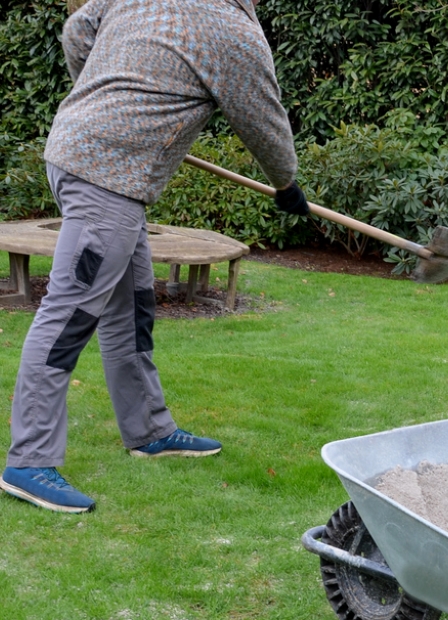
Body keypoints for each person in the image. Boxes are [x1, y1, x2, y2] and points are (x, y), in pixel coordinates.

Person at [1, 0, 309, 514]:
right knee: (70, 315)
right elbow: (263, 120)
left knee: (133, 306)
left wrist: (100, 92)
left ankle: (148, 429)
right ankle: (28, 461)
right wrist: (286, 184)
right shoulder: (232, 30)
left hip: (96, 164)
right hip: (106, 176)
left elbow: (79, 28)